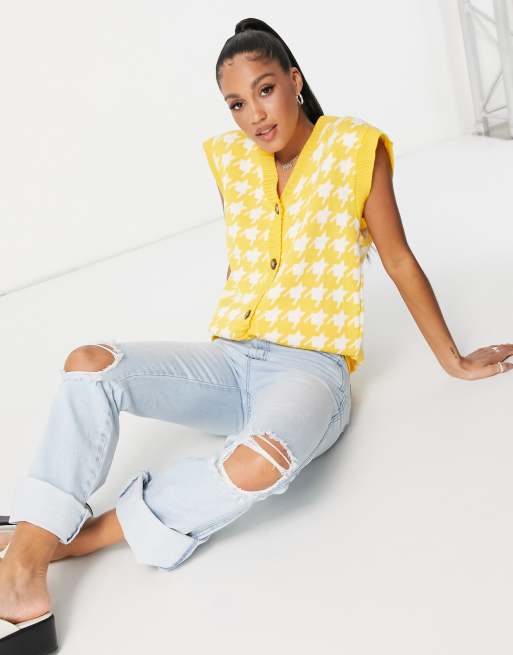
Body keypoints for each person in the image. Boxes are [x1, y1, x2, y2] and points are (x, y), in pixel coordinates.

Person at [1, 16, 512, 654]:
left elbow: (399, 259)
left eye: (265, 90)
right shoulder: (231, 159)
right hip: (233, 358)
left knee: (257, 461)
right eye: (237, 103)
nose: (254, 115)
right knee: (90, 364)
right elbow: (246, 261)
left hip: (310, 372)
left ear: (294, 81)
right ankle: (26, 560)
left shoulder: (355, 149)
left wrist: (454, 360)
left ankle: (68, 539)